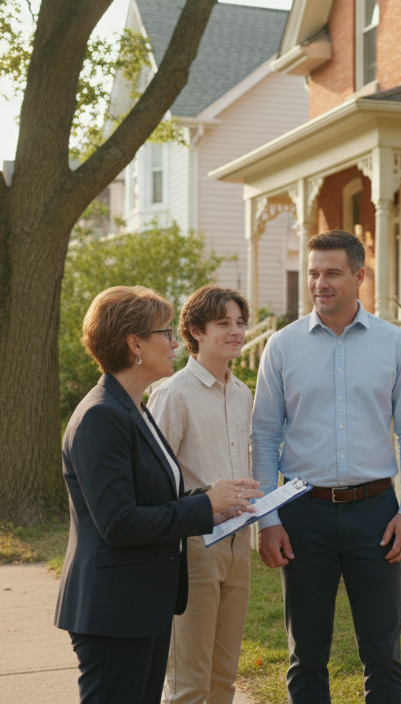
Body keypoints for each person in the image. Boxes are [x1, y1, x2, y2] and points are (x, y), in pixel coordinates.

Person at [55, 285, 262, 704]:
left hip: (142, 603)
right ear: (135, 345)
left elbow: (154, 496)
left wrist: (213, 502)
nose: (174, 343)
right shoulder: (101, 415)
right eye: (165, 334)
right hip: (114, 610)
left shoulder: (133, 409)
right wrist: (205, 505)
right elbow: (118, 522)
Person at [250, 229, 401, 704]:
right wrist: (268, 519)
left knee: (383, 651)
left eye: (331, 272)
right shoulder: (282, 347)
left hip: (376, 513)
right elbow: (264, 436)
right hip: (301, 512)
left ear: (359, 276)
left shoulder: (394, 344)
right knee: (306, 653)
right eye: (313, 273)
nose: (319, 283)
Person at [149, 286, 255, 704]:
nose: (236, 331)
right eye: (223, 323)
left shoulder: (243, 392)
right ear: (195, 331)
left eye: (240, 323)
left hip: (238, 545)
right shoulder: (173, 394)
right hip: (194, 548)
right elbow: (154, 481)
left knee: (224, 678)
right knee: (189, 682)